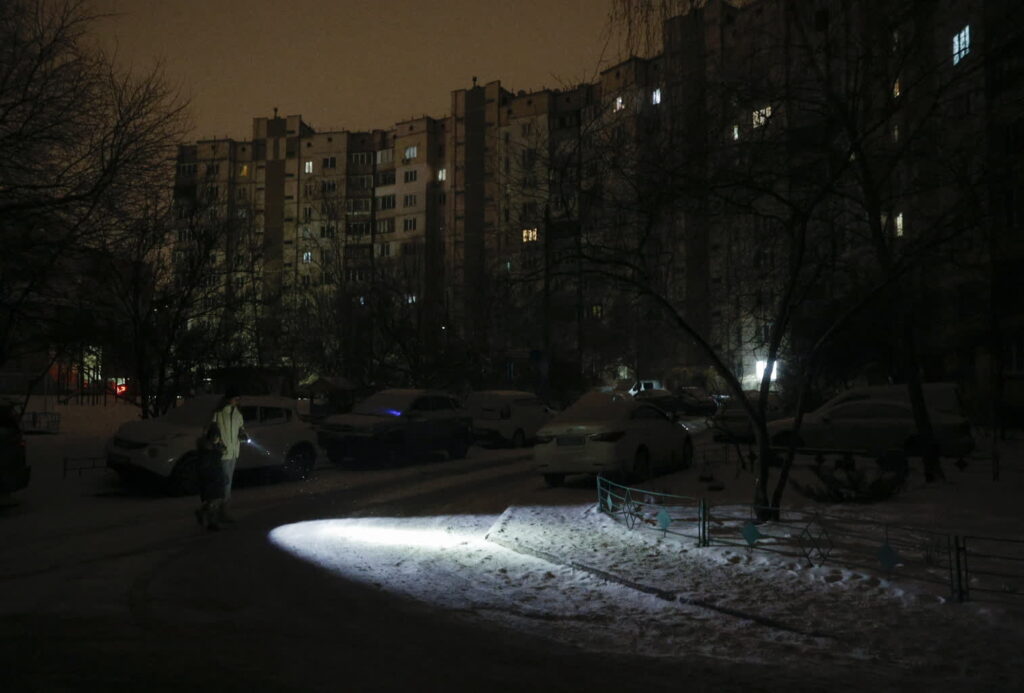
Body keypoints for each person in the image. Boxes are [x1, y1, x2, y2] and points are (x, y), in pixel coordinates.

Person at [211, 386, 248, 523]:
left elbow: (241, 428)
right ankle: (216, 513)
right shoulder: (219, 413)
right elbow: (212, 430)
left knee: (227, 483)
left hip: (233, 453)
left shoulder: (238, 413)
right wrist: (217, 442)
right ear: (228, 398)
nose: (237, 401)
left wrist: (243, 434)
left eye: (238, 399)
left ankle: (221, 512)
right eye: (235, 398)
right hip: (222, 454)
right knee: (223, 484)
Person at [194, 422, 226, 531]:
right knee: (213, 500)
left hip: (214, 476)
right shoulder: (207, 448)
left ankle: (202, 514)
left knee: (212, 500)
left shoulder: (212, 446)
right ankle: (211, 522)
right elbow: (208, 462)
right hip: (210, 477)